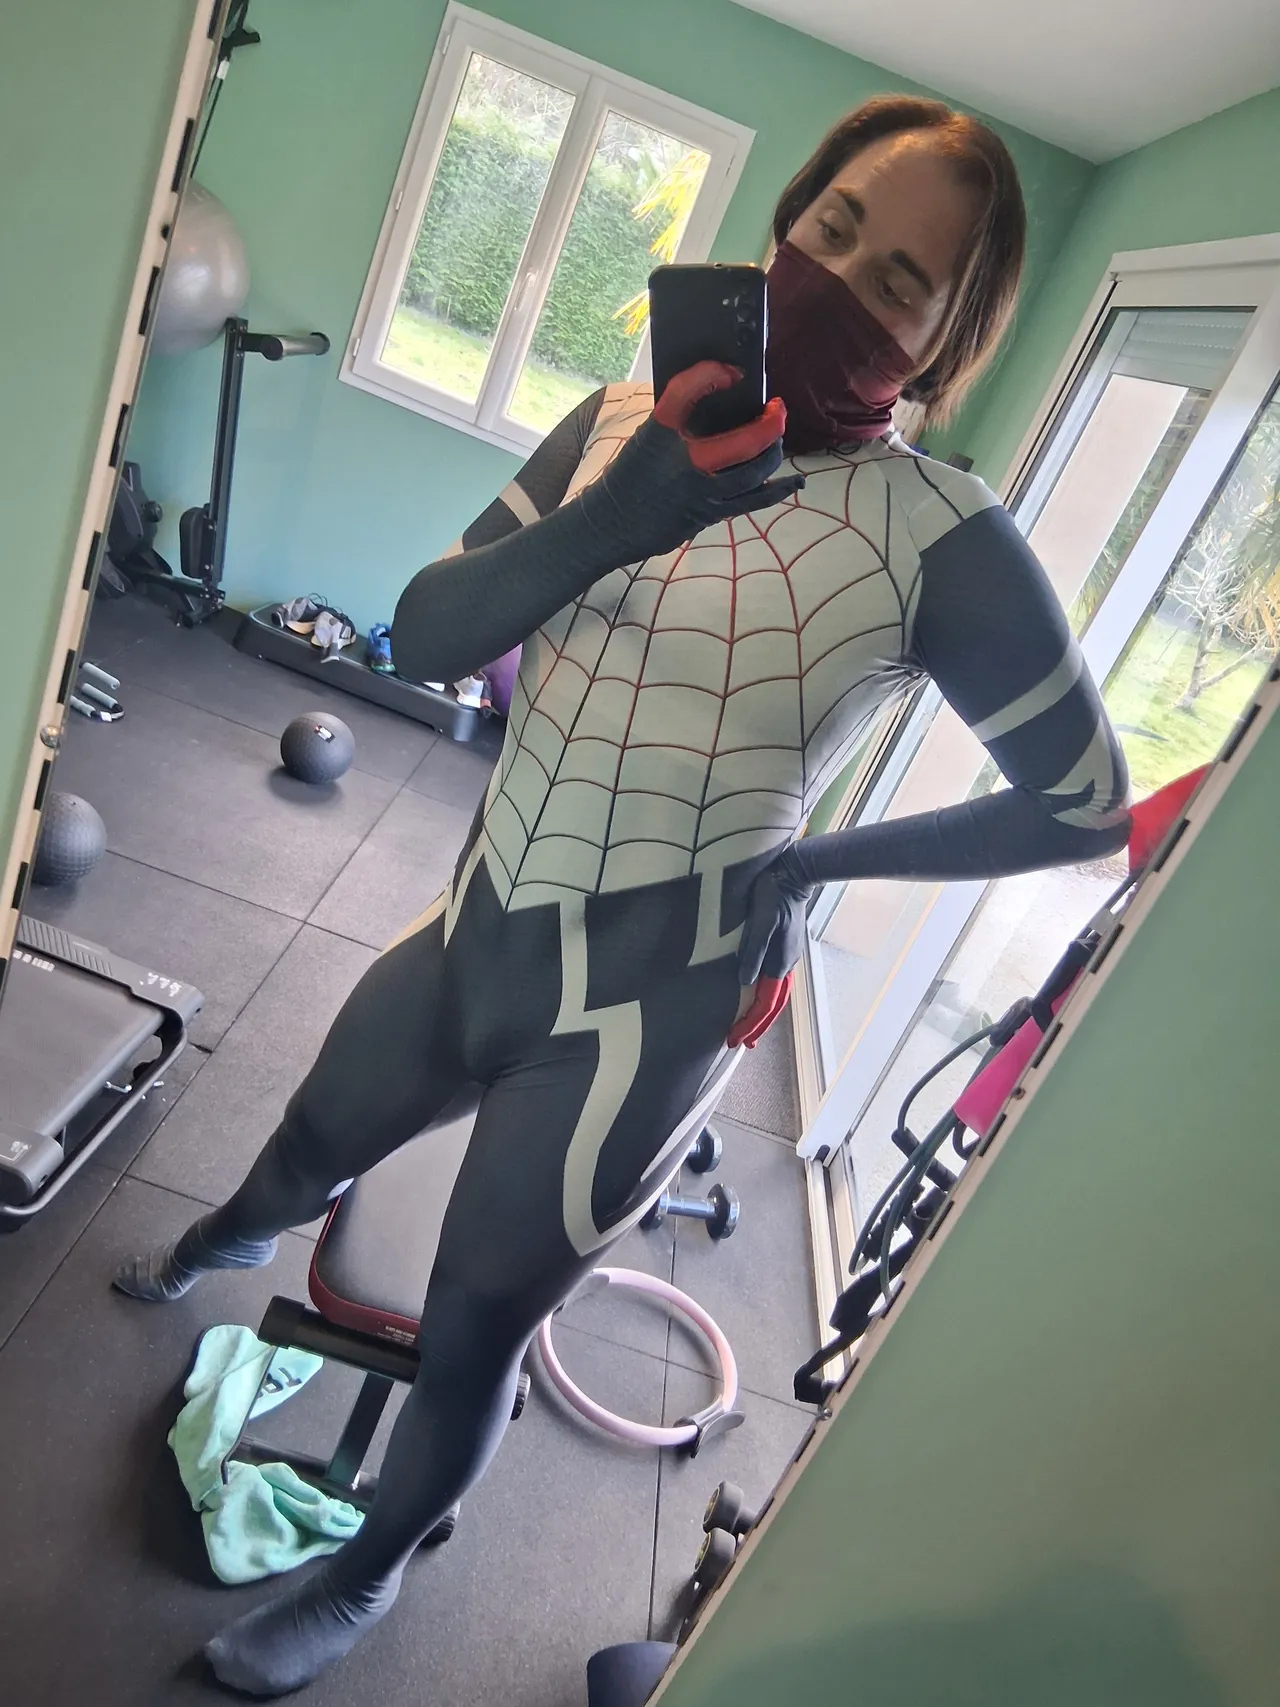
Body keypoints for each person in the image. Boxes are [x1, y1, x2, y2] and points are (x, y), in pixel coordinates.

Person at [115, 95, 1129, 1696]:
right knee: (310, 1138)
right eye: (837, 226)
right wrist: (629, 505)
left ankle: (367, 1575)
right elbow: (428, 632)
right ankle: (210, 1244)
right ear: (789, 212)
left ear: (948, 344)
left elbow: (1087, 805)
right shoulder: (620, 416)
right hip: (480, 916)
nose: (842, 276)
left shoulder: (940, 534)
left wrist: (814, 866)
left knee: (472, 1324)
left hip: (646, 1014)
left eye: (902, 281)